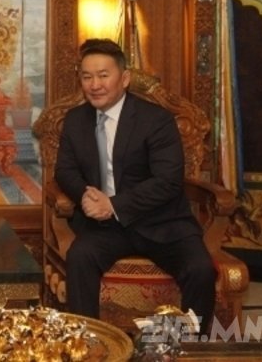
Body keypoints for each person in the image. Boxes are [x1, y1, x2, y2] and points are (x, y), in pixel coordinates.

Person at [54, 38, 216, 334]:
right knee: (80, 257)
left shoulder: (156, 120)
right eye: (87, 77)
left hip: (161, 222)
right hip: (105, 227)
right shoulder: (76, 120)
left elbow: (168, 181)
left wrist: (113, 204)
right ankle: (87, 344)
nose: (94, 85)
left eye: (103, 75)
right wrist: (85, 197)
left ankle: (190, 347)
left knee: (200, 269)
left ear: (124, 78)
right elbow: (64, 170)